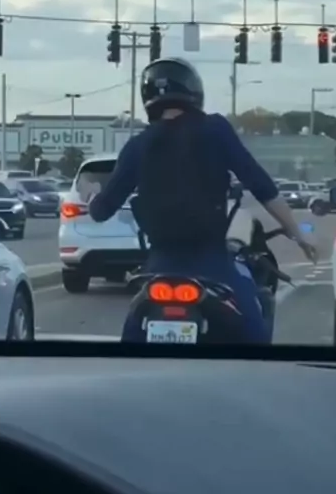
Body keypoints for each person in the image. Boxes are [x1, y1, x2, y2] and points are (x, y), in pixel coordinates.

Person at [85, 58, 317, 343]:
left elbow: (101, 210)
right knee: (254, 328)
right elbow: (261, 185)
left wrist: (91, 195)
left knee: (132, 335)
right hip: (211, 261)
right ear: (193, 91)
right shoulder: (216, 129)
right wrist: (298, 235)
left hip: (160, 264)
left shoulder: (137, 146)